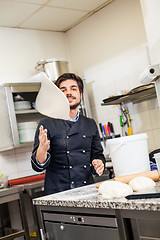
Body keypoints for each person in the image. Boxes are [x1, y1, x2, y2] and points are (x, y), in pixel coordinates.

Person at [31, 73, 105, 195]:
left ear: (80, 95)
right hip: (58, 193)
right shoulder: (47, 123)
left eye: (73, 89)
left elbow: (97, 155)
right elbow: (38, 166)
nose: (69, 93)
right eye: (63, 90)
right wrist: (42, 149)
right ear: (58, 96)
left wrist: (98, 164)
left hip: (87, 191)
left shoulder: (90, 124)